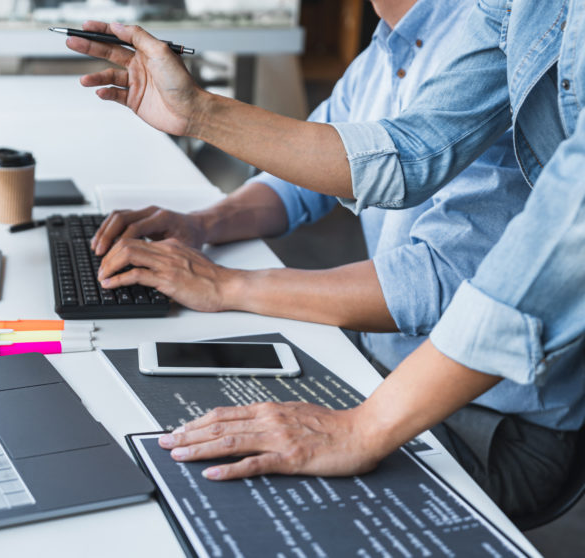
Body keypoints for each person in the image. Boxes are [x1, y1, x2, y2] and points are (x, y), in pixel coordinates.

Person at [65, 0, 585, 519]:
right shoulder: (419, 39)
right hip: (383, 371)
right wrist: (203, 202)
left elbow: (451, 279)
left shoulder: (488, 34)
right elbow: (396, 156)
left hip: (491, 422)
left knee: (235, 502)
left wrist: (230, 287)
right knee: (165, 431)